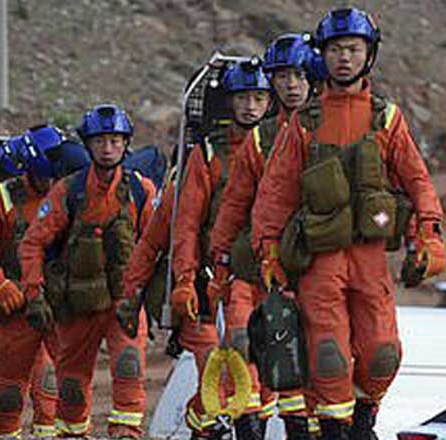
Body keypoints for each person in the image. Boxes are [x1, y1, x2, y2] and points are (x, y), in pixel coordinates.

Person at [252, 8, 446, 439]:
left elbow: (418, 181)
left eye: (353, 49)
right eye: (336, 50)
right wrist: (268, 250)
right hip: (319, 262)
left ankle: (364, 415)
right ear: (323, 54)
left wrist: (428, 235)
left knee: (382, 354)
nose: (344, 58)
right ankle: (337, 429)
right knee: (328, 356)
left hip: (369, 257)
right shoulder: (305, 122)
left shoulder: (387, 118)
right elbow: (276, 193)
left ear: (368, 54)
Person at [208, 32, 324, 439]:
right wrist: (216, 264)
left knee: (334, 359)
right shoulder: (257, 142)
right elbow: (233, 207)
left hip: (321, 265)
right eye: (282, 77)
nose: (291, 84)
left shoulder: (339, 127)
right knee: (251, 348)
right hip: (262, 265)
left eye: (297, 75)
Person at [18, 105, 156, 438]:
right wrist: (34, 294)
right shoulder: (69, 191)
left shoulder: (141, 190)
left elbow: (156, 244)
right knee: (72, 384)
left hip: (124, 301)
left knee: (128, 367)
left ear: (125, 144)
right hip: (77, 302)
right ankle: (73, 433)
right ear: (87, 145)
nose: (108, 149)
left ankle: (126, 433)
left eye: (114, 141)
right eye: (100, 142)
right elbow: (32, 244)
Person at [0, 126, 89, 437]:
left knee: (55, 385)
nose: (50, 185)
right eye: (45, 179)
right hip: (8, 307)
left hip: (50, 305)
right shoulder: (1, 200)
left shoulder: (71, 194)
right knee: (1, 392)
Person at [169, 58, 273, 439]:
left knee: (266, 381)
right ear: (230, 102)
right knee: (234, 368)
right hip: (220, 276)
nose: (251, 106)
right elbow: (188, 222)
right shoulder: (208, 153)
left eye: (259, 97)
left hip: (269, 272)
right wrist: (184, 277)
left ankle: (206, 428)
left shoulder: (280, 145)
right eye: (243, 97)